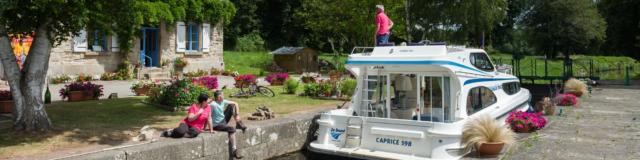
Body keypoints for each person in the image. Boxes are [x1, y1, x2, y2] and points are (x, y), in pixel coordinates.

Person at [210, 90, 247, 159]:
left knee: (232, 106)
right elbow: (208, 116)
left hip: (223, 120)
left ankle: (238, 123)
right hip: (217, 125)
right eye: (222, 95)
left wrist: (238, 115)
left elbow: (235, 103)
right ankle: (234, 150)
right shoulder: (213, 105)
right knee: (232, 129)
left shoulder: (223, 101)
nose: (224, 96)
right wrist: (210, 128)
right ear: (219, 97)